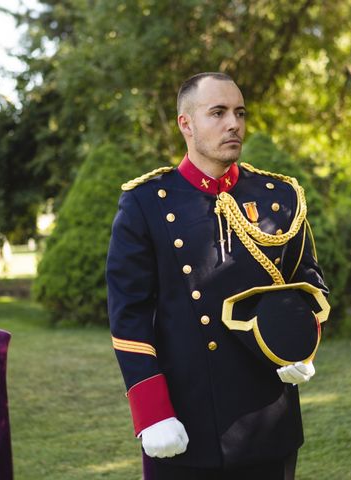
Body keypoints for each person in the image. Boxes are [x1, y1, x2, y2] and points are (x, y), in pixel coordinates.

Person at [106, 72, 329, 480]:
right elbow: (129, 316)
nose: (234, 124)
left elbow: (309, 283)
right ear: (185, 124)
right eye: (218, 112)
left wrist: (302, 340)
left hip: (268, 416)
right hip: (186, 421)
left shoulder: (278, 197)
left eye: (239, 113)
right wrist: (153, 413)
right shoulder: (146, 204)